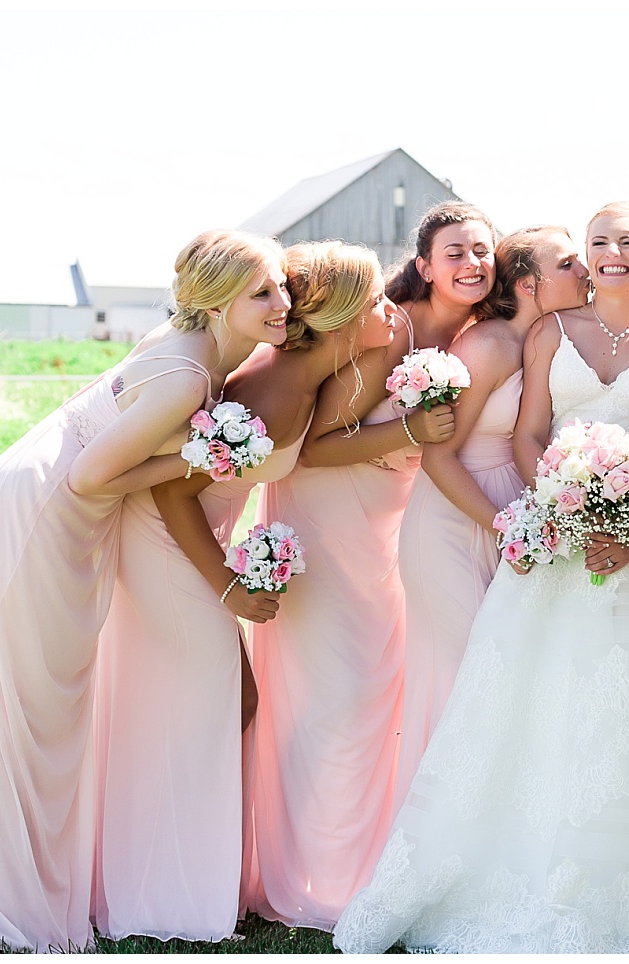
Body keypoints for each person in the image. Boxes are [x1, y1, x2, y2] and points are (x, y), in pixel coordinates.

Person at [333, 202, 629, 953]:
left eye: (628, 242)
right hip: (558, 528)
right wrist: (567, 511)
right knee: (532, 693)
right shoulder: (550, 332)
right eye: (598, 242)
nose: (612, 253)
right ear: (587, 254)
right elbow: (529, 431)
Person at [0, 228, 289, 952]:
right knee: (34, 716)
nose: (282, 302)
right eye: (264, 292)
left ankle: (27, 881)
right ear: (219, 302)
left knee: (45, 714)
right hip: (40, 517)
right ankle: (5, 902)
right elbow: (89, 478)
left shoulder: (199, 349)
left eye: (282, 286)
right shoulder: (190, 378)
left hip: (48, 512)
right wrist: (202, 454)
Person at [89, 240, 394, 943]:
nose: (388, 313)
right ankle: (165, 891)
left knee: (225, 704)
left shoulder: (306, 377)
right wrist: (227, 586)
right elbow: (173, 490)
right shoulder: (277, 393)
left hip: (198, 539)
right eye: (376, 301)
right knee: (223, 702)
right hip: (173, 544)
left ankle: (183, 879)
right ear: (343, 315)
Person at [241, 202, 498, 930]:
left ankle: (358, 865)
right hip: (329, 518)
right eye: (456, 251)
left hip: (388, 528)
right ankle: (307, 879)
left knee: (376, 701)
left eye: (483, 250)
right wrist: (409, 429)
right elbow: (315, 446)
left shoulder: (474, 338)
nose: (472, 263)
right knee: (339, 699)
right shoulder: (387, 330)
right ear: (424, 263)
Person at [392, 225, 591, 810]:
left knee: (509, 679)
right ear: (531, 283)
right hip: (455, 518)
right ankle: (429, 836)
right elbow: (436, 453)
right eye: (570, 263)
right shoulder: (487, 346)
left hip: (511, 509)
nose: (584, 271)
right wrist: (504, 524)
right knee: (464, 678)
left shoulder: (545, 342)